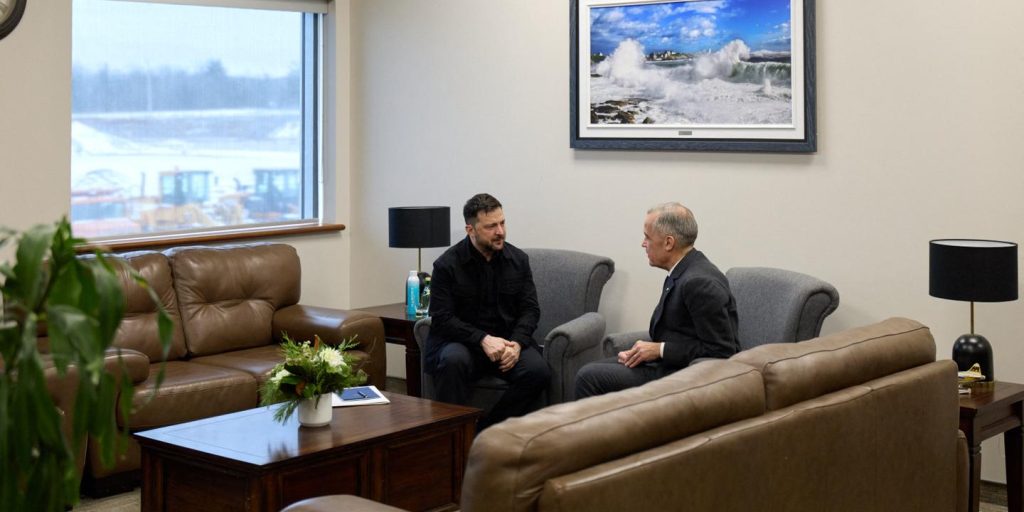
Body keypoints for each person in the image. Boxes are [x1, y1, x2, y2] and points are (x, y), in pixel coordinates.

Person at [575, 202, 739, 399]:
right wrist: (643, 351)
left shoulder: (698, 282)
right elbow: (681, 333)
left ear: (668, 243)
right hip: (670, 364)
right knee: (591, 369)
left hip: (684, 376)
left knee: (589, 377)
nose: (643, 244)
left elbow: (722, 351)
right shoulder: (684, 269)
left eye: (647, 237)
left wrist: (659, 350)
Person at [425, 193, 551, 430]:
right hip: (464, 343)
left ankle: (486, 431)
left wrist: (517, 344)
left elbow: (530, 309)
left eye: (502, 223)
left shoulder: (518, 260)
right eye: (491, 226)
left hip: (506, 342)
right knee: (453, 360)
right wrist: (482, 339)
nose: (500, 231)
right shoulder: (446, 265)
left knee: (538, 371)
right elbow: (442, 318)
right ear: (470, 230)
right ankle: (453, 436)